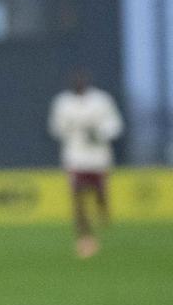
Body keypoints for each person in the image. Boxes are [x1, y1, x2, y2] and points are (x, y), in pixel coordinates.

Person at [48, 70, 124, 258]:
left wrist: (99, 132)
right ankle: (85, 237)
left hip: (98, 157)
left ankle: (102, 214)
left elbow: (115, 124)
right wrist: (72, 128)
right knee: (78, 196)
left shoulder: (101, 100)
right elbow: (56, 128)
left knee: (99, 194)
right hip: (75, 156)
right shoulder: (62, 103)